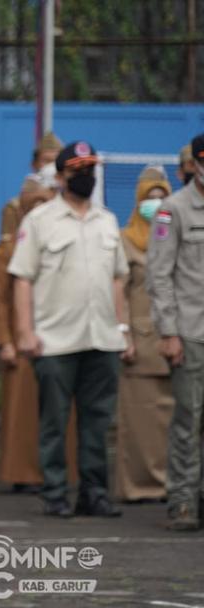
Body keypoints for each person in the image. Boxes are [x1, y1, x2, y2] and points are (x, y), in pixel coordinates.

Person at [11, 140, 131, 518]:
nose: (86, 177)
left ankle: (94, 493)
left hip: (103, 337)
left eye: (90, 169)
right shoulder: (40, 220)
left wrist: (123, 328)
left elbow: (118, 280)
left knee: (97, 423)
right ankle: (56, 492)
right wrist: (25, 332)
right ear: (62, 176)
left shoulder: (107, 220)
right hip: (55, 340)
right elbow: (22, 279)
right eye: (78, 170)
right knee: (54, 423)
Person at [0, 173, 70, 492]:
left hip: (60, 336)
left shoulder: (61, 241)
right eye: (34, 202)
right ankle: (22, 474)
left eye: (45, 202)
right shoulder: (10, 247)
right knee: (21, 414)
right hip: (22, 340)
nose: (39, 208)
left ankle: (59, 472)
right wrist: (5, 341)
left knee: (58, 410)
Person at [149, 134, 204, 531]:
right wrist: (169, 331)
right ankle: (183, 501)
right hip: (191, 331)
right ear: (195, 165)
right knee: (189, 420)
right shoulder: (174, 210)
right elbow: (160, 275)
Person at [115, 166, 173, 503]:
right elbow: (118, 290)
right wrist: (124, 334)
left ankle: (175, 485)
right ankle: (139, 486)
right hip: (140, 339)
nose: (155, 203)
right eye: (149, 197)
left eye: (161, 196)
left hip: (177, 337)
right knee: (138, 421)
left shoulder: (177, 232)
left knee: (176, 422)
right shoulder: (126, 239)